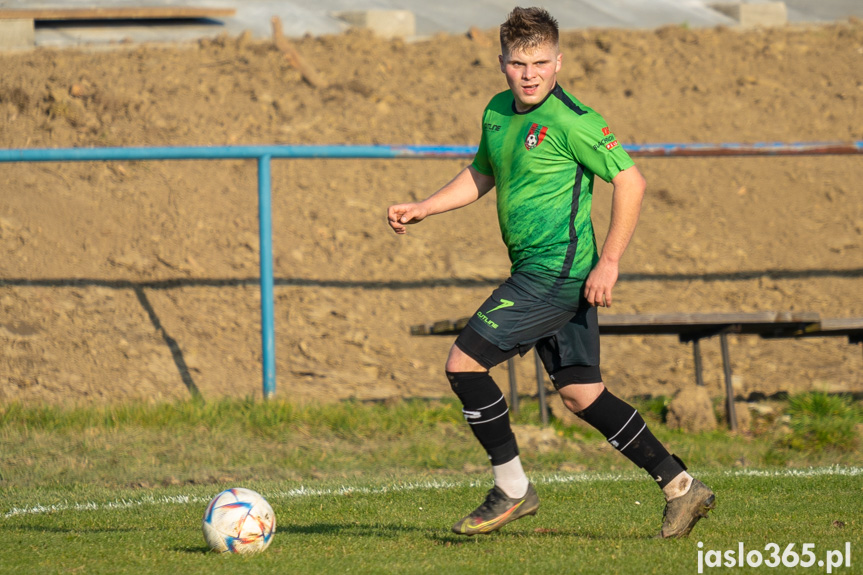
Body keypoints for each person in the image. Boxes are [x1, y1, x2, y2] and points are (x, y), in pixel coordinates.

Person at [387, 6, 715, 538]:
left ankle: (513, 488)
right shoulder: (497, 111)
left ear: (559, 61)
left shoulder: (573, 121)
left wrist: (609, 262)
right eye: (519, 62)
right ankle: (681, 486)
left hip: (555, 276)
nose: (530, 73)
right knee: (582, 394)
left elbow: (631, 182)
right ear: (502, 63)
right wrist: (425, 206)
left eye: (541, 61)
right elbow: (482, 172)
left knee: (464, 365)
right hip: (542, 271)